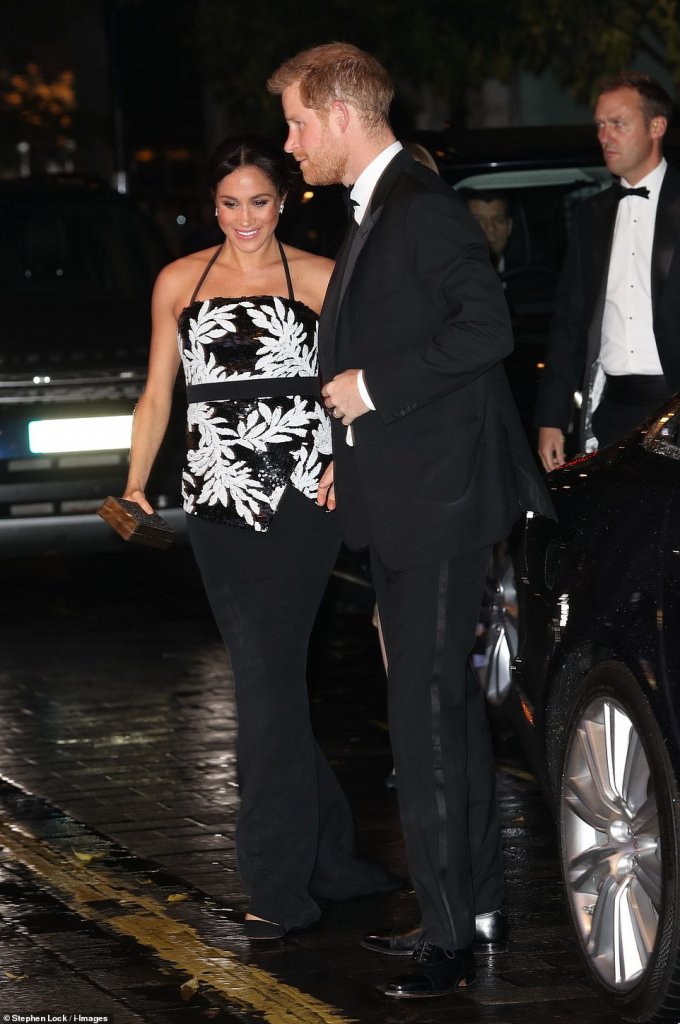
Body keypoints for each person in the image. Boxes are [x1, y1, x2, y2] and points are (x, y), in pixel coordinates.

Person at [268, 43, 552, 998]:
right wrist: (351, 453)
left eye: (298, 123)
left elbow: (486, 330)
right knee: (441, 716)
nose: (290, 142)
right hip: (408, 495)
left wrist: (371, 390)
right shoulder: (381, 206)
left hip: (439, 506)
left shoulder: (419, 208)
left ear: (343, 116)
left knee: (424, 718)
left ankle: (448, 938)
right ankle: (468, 907)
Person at [122, 134, 399, 941]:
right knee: (265, 678)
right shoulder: (179, 281)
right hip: (215, 502)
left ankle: (277, 887)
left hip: (303, 500)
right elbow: (158, 394)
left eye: (260, 202)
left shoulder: (320, 276)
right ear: (212, 206)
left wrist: (349, 458)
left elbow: (359, 384)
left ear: (283, 202)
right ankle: (332, 856)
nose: (245, 218)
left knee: (265, 682)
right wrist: (135, 481)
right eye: (229, 203)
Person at [536, 71, 680, 472]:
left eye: (618, 123)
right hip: (612, 409)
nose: (605, 136)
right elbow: (569, 321)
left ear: (656, 127)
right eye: (600, 125)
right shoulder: (591, 214)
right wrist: (551, 417)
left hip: (674, 403)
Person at [465, 191, 514, 273]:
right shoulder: (451, 275)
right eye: (478, 221)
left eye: (499, 220)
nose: (490, 228)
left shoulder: (526, 274)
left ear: (509, 226)